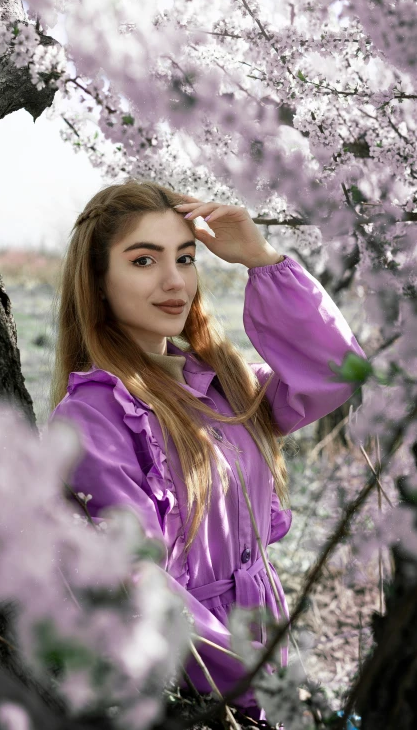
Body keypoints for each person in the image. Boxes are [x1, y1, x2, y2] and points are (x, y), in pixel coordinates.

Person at [47, 179, 367, 725]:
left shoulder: (223, 386)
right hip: (198, 677)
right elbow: (137, 581)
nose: (175, 281)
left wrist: (263, 260)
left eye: (186, 258)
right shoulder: (95, 415)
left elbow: (337, 373)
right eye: (144, 260)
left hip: (264, 646)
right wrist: (258, 687)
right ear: (98, 282)